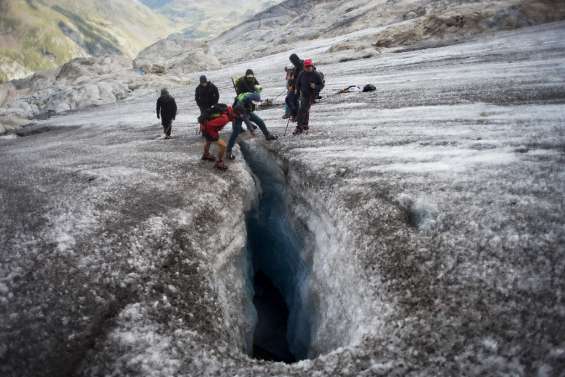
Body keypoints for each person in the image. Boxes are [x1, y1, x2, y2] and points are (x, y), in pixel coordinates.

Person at [226, 86, 277, 160]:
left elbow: (256, 98)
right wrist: (251, 130)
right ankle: (228, 151)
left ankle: (267, 135)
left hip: (246, 111)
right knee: (235, 132)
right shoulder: (241, 103)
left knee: (259, 121)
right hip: (237, 114)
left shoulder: (251, 95)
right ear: (251, 99)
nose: (255, 103)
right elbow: (245, 119)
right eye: (254, 102)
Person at [200, 105, 236, 171]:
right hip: (208, 129)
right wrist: (213, 134)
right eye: (235, 117)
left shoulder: (225, 111)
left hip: (204, 126)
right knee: (223, 146)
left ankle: (206, 155)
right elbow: (209, 124)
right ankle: (219, 162)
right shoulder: (224, 118)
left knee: (208, 141)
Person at [293, 59, 323, 135]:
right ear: (304, 67)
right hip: (303, 94)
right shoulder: (302, 73)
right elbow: (298, 83)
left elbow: (321, 85)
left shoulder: (316, 74)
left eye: (310, 66)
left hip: (311, 95)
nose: (309, 68)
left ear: (312, 66)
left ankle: (299, 128)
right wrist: (297, 89)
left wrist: (315, 86)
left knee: (302, 110)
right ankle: (305, 125)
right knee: (305, 109)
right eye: (307, 66)